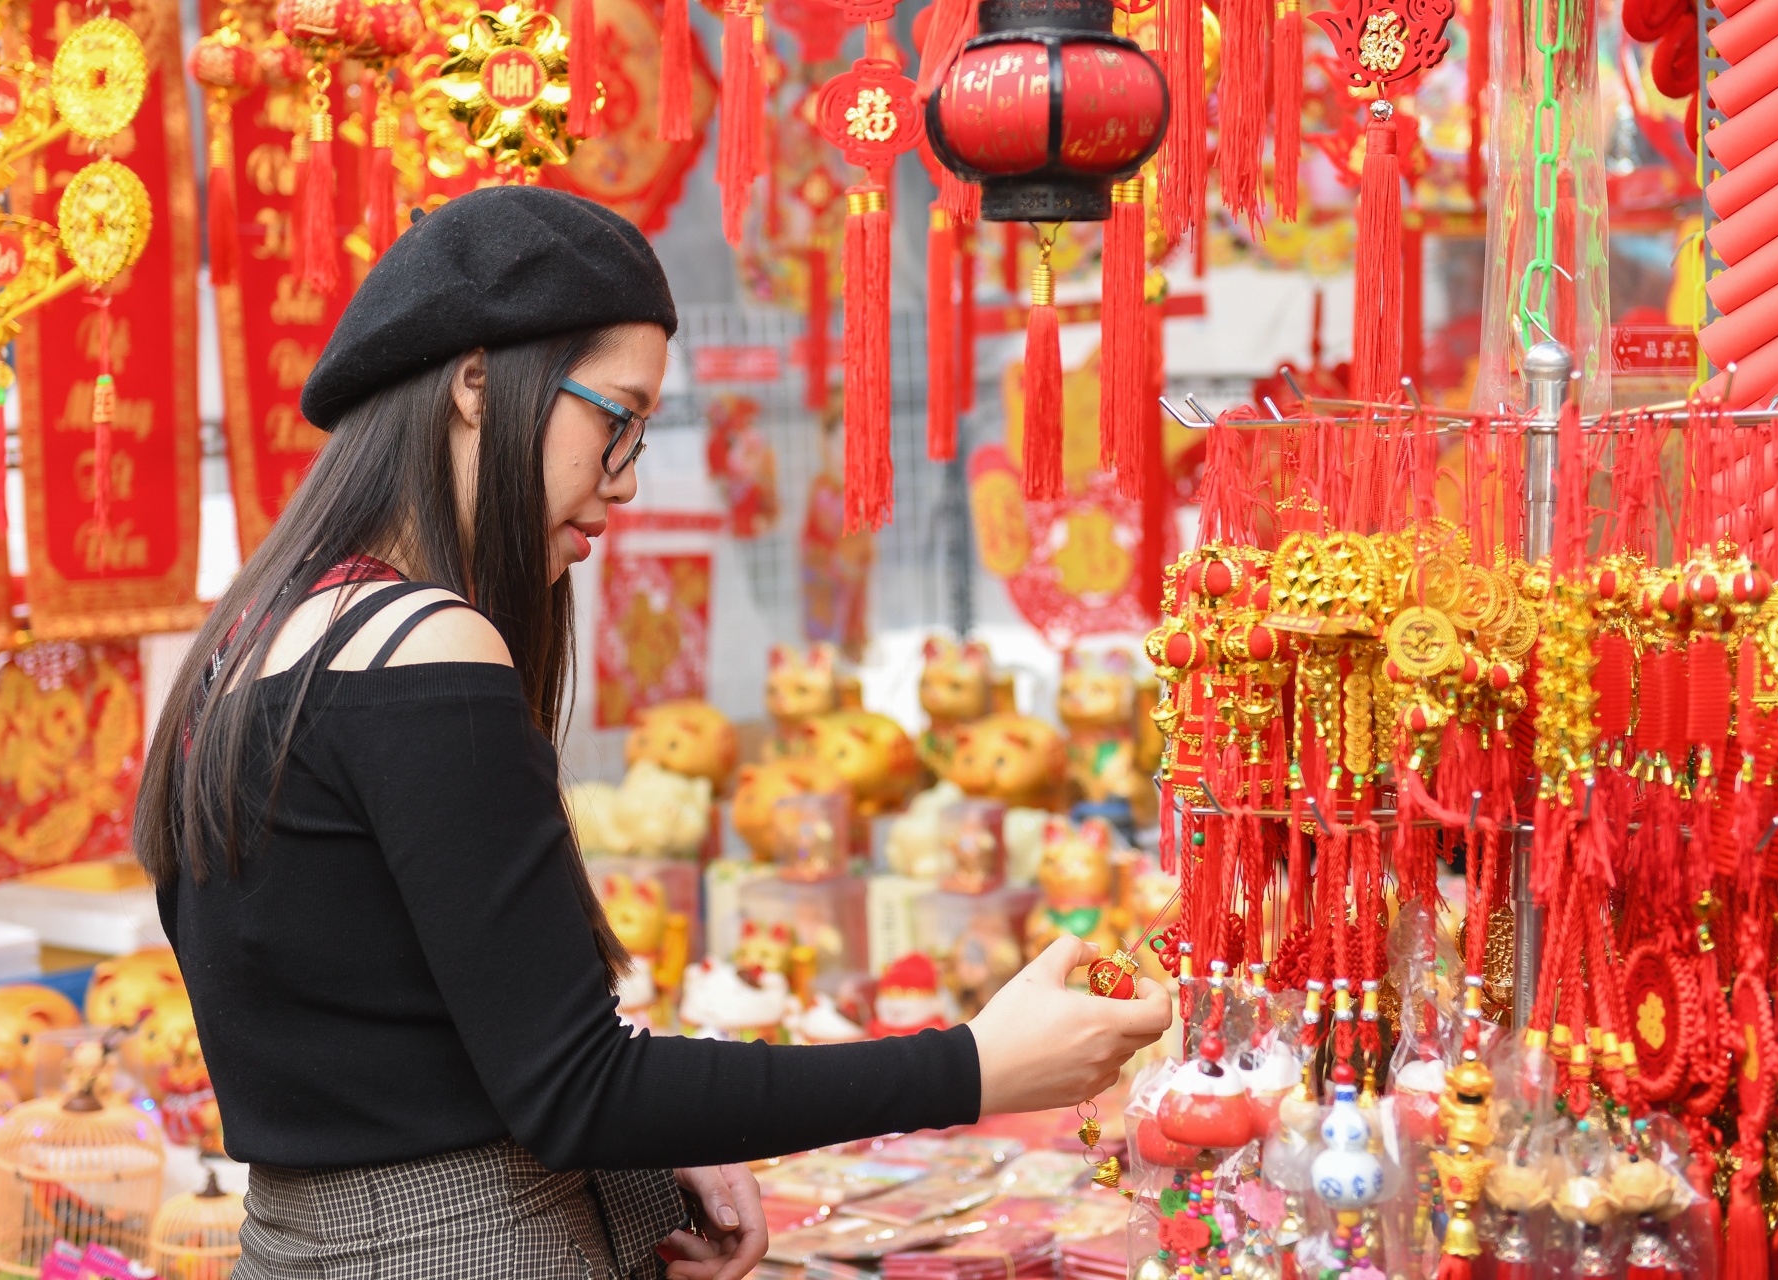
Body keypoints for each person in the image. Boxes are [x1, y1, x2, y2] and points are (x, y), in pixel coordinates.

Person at [135, 187, 1171, 1280]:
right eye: (614, 418)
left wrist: (664, 1141)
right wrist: (974, 1065)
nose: (623, 479)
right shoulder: (427, 644)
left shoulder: (257, 636)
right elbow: (576, 1086)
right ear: (479, 383)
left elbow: (417, 1057)